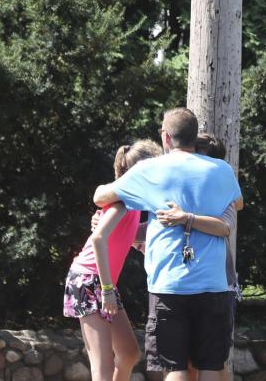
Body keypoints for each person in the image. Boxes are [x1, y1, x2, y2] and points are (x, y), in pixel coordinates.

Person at [93, 109, 241, 381]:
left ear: (165, 137)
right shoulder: (222, 170)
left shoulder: (149, 170)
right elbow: (237, 204)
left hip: (168, 285)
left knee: (175, 367)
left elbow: (101, 197)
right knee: (210, 365)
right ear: (194, 137)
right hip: (214, 283)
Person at [64, 140, 161, 381]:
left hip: (102, 282)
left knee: (128, 353)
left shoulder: (135, 203)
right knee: (103, 367)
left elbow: (129, 234)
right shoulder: (123, 200)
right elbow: (98, 239)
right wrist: (107, 289)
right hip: (89, 281)